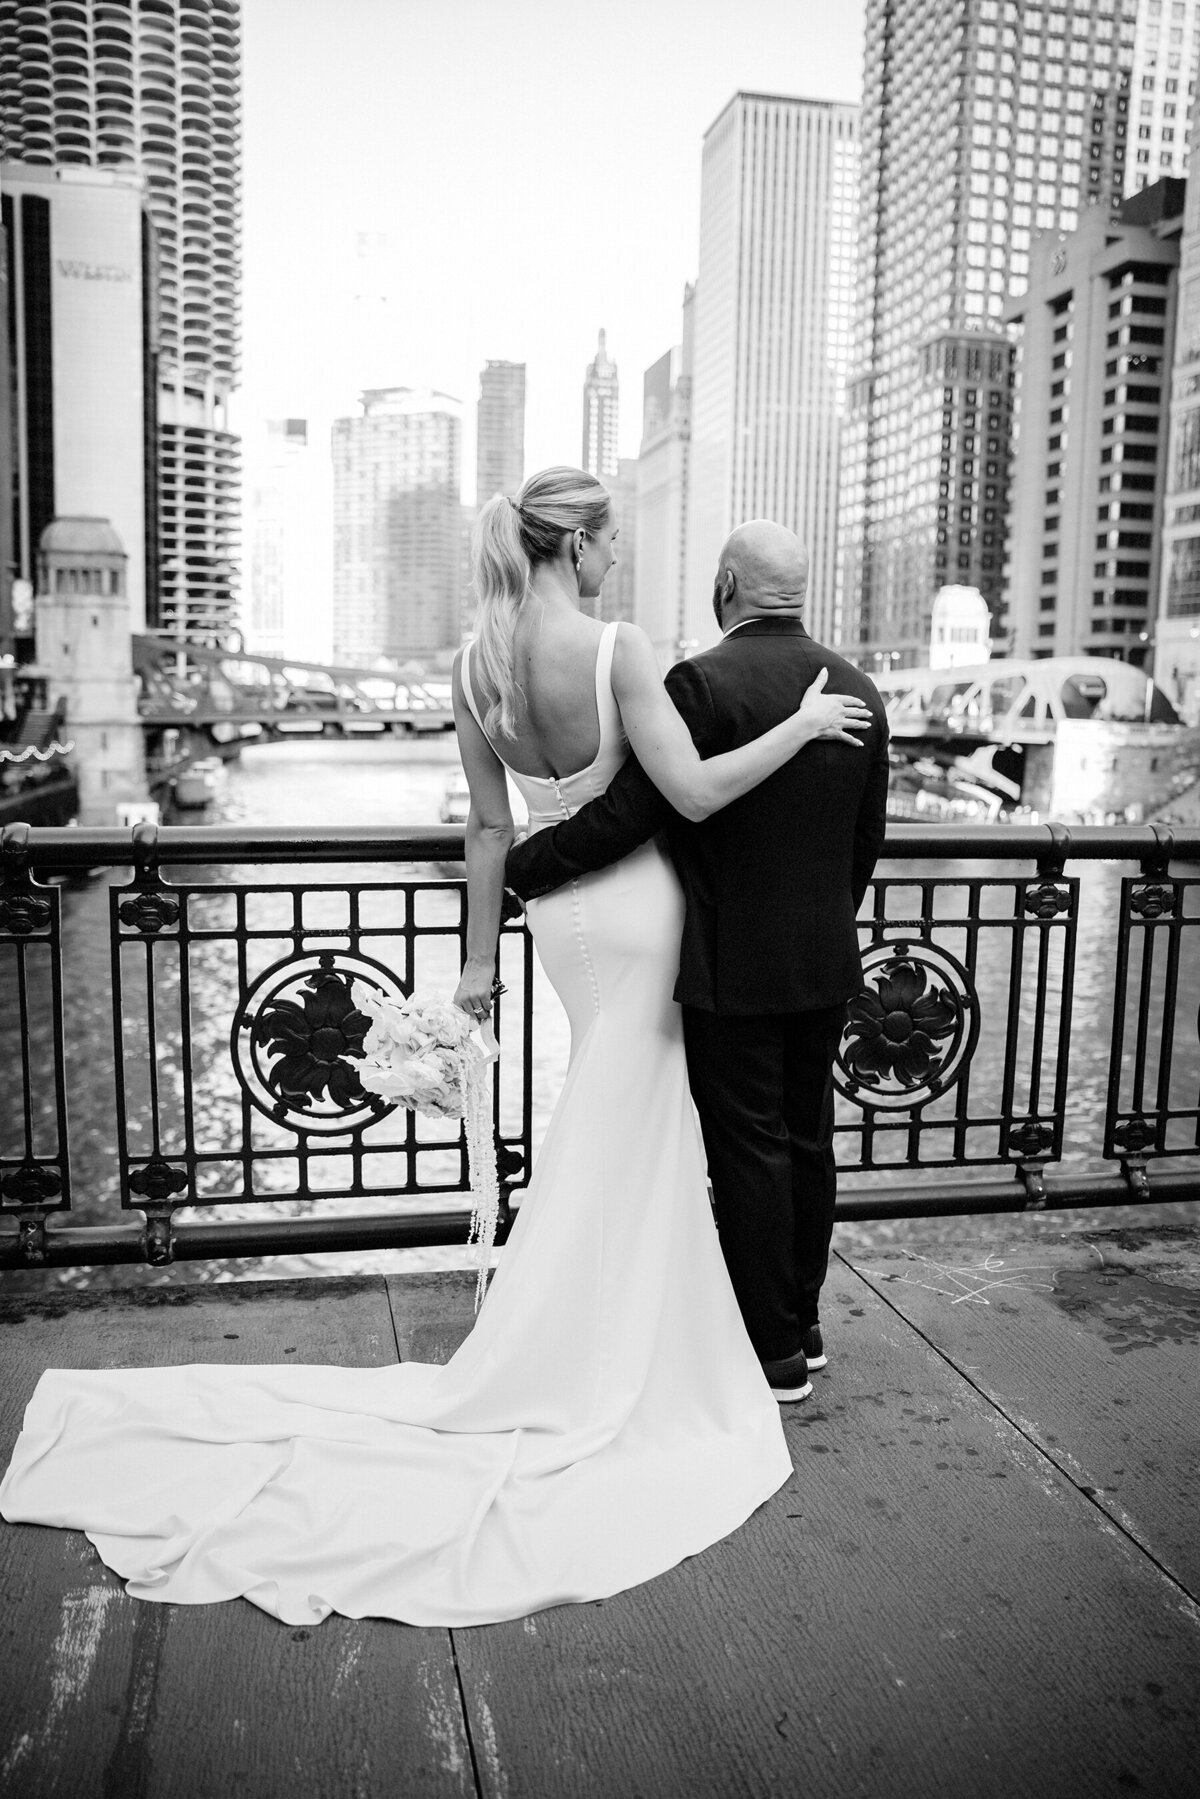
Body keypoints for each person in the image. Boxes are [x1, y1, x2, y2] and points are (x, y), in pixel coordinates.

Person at [0, 468, 871, 1630]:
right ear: (577, 550)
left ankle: (585, 1336)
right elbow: (696, 795)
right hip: (643, 916)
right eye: (608, 541)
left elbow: (491, 824)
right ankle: (630, 1348)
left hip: (561, 932)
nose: (616, 559)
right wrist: (808, 725)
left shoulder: (477, 666)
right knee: (641, 1128)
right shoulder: (621, 649)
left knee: (608, 1121)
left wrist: (477, 961)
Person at [504, 516, 889, 1398]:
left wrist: (522, 868)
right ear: (803, 591)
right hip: (826, 958)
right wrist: (822, 922)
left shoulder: (701, 684)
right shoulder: (860, 687)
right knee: (807, 1139)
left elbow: (629, 814)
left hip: (728, 962)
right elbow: (864, 842)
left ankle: (773, 1354)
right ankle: (807, 1321)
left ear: (725, 587)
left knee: (748, 1150)